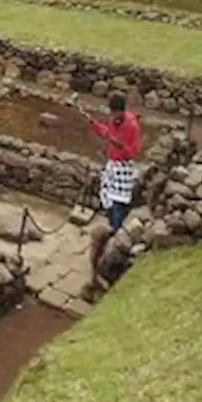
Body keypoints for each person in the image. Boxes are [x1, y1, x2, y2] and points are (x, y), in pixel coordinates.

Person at [82, 93, 142, 291]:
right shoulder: (114, 121)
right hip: (112, 166)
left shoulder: (131, 125)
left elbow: (133, 152)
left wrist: (116, 143)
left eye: (115, 113)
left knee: (118, 206)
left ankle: (117, 241)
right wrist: (93, 124)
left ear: (121, 111)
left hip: (123, 167)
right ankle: (113, 232)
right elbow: (107, 132)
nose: (113, 117)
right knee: (108, 200)